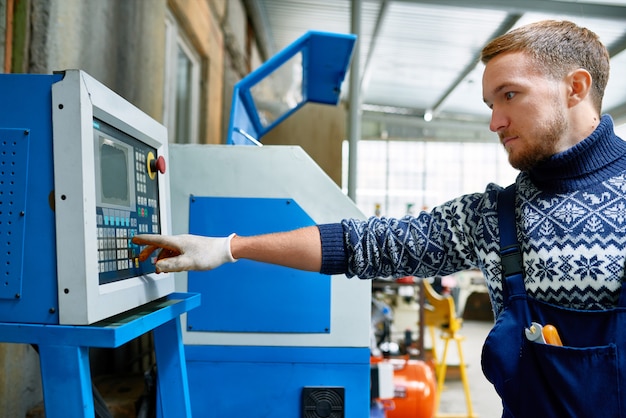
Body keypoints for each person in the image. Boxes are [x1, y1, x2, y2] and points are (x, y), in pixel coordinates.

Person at [133, 20, 626, 417]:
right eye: (490, 103)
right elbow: (365, 244)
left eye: (509, 95)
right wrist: (228, 247)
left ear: (575, 88)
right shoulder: (492, 217)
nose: (495, 121)